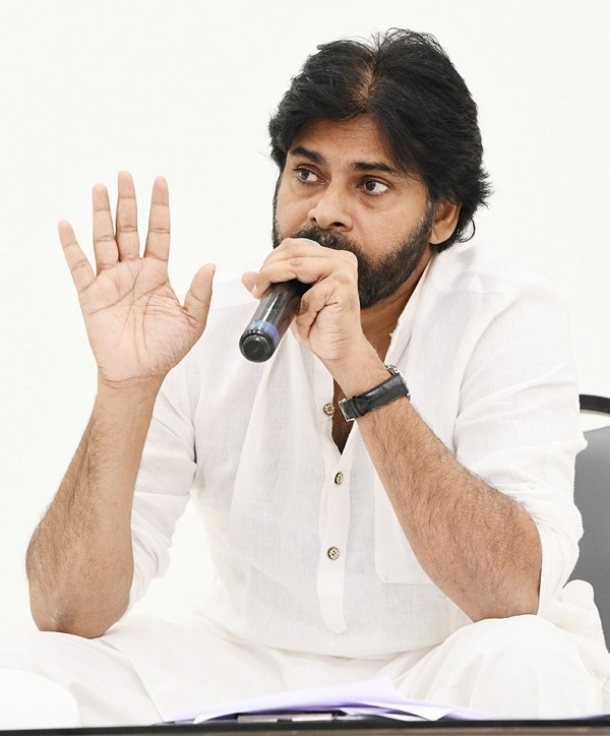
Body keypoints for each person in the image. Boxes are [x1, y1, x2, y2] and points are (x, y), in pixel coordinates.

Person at [2, 28, 610, 728]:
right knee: (30, 669)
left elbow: (509, 594)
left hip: (441, 666)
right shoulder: (210, 323)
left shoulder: (506, 316)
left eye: (371, 185)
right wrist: (125, 389)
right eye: (307, 174)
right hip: (238, 664)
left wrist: (361, 370)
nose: (323, 212)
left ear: (442, 214)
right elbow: (67, 613)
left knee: (529, 660)